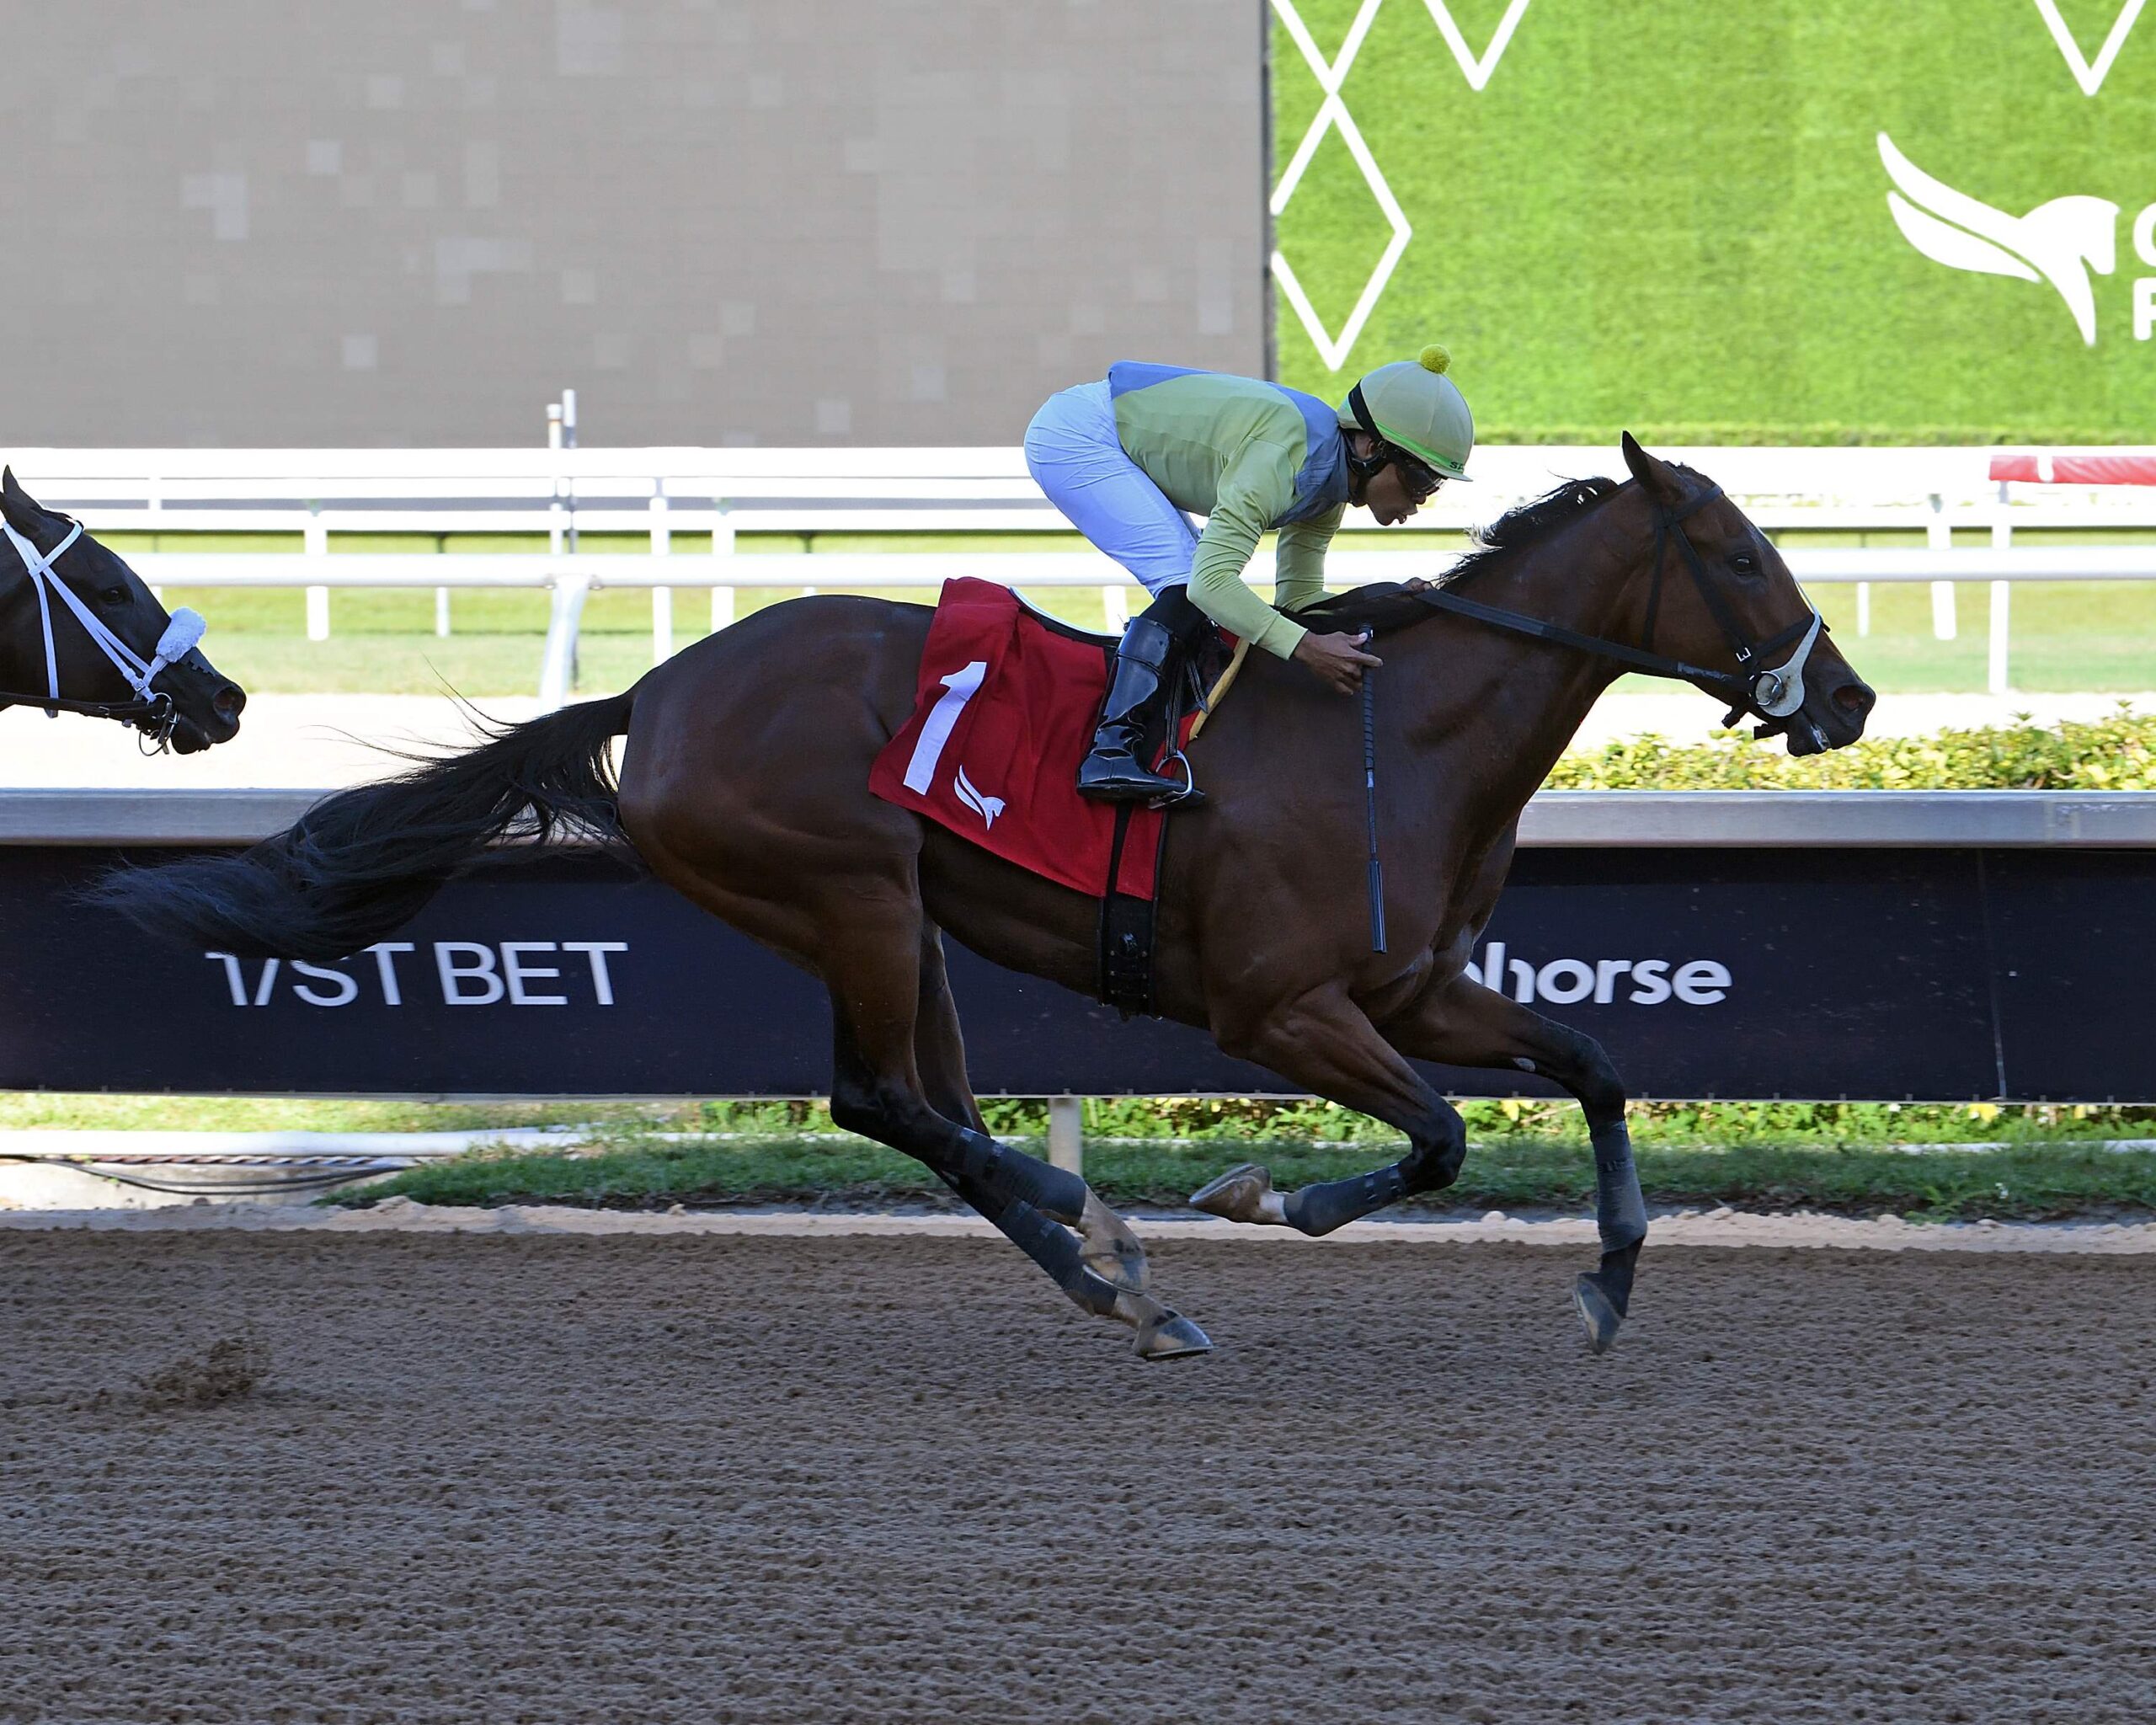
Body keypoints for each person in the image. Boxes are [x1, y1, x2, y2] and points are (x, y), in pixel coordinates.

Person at [1023, 344, 1474, 804]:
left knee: (1193, 586)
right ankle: (1109, 752)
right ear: (1371, 447)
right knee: (1185, 585)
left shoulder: (1329, 485)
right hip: (1079, 435)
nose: (1421, 500)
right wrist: (1306, 648)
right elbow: (1211, 585)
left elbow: (1299, 601)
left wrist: (1390, 602)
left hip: (1111, 431)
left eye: (1433, 485)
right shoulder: (1285, 455)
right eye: (1420, 479)